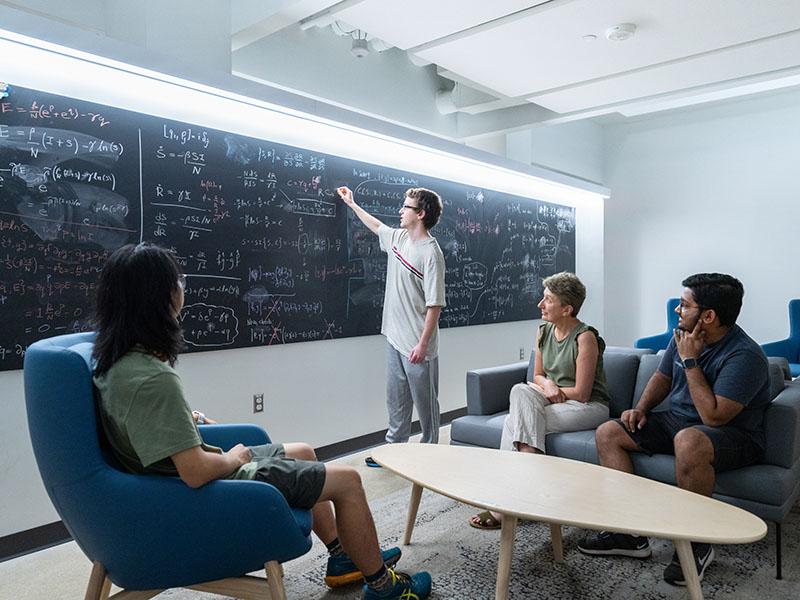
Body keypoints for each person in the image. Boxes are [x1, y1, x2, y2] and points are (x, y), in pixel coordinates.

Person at [91, 242, 432, 600]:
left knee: (303, 451)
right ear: (157, 297)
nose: (182, 289)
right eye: (178, 281)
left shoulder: (117, 361)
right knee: (348, 481)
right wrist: (234, 458)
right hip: (209, 487)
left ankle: (341, 556)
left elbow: (147, 424)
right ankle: (383, 586)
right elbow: (194, 471)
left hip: (171, 479)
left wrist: (187, 422)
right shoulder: (153, 377)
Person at [578, 273, 770, 587]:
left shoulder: (745, 356)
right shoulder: (681, 335)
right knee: (608, 432)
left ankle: (697, 543)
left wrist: (691, 361)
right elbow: (663, 378)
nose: (677, 311)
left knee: (690, 439)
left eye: (684, 305)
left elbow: (714, 417)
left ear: (708, 316)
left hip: (734, 435)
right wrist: (641, 408)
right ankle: (629, 533)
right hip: (679, 424)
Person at [469, 271, 610, 530]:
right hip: (551, 399)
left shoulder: (585, 337)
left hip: (587, 407)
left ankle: (507, 504)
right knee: (520, 391)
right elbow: (537, 376)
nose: (540, 304)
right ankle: (528, 490)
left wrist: (554, 391)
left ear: (567, 309)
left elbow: (582, 392)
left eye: (547, 299)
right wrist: (548, 385)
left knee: (515, 421)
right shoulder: (543, 330)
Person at [337, 186, 446, 467]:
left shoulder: (431, 254)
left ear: (420, 214)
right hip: (394, 338)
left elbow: (435, 304)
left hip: (418, 344)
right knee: (396, 399)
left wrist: (423, 344)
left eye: (406, 207)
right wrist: (352, 204)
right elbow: (376, 226)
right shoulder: (398, 238)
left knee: (426, 405)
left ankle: (430, 451)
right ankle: (393, 451)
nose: (400, 210)